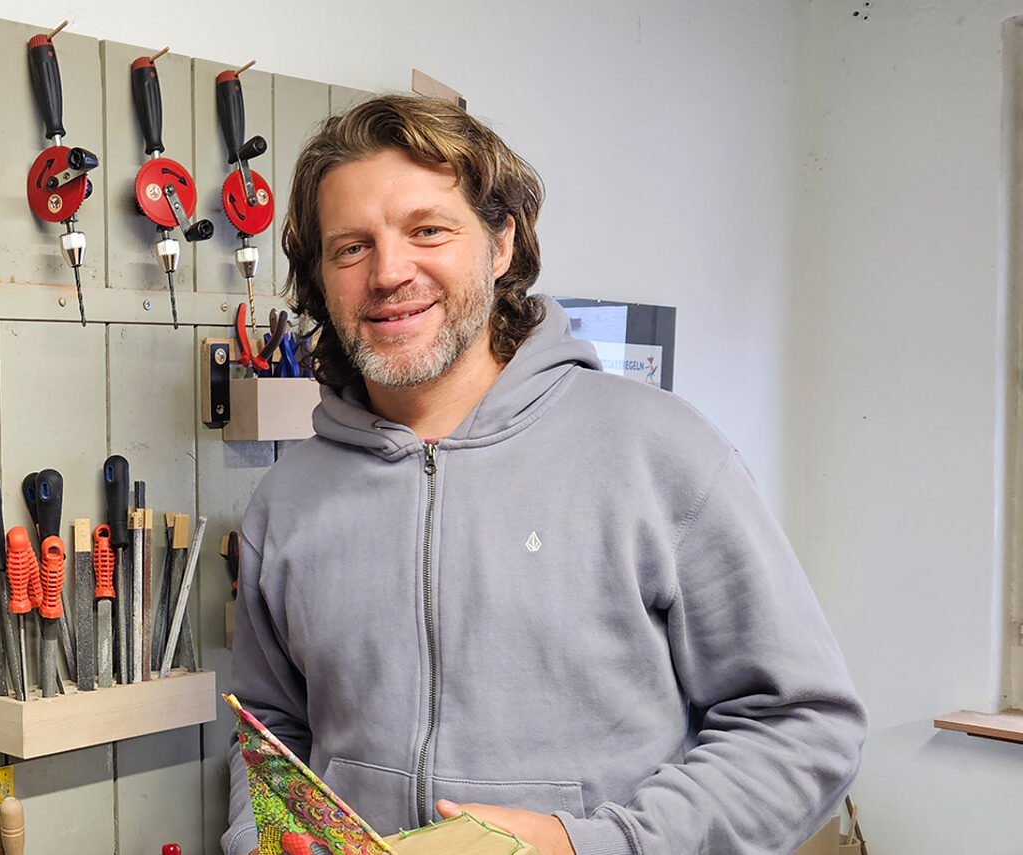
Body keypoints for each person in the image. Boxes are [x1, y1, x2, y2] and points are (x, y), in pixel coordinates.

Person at [224, 94, 866, 855]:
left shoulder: (659, 453)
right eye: (351, 247)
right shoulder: (288, 501)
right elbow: (268, 739)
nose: (390, 272)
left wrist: (589, 844)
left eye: (428, 230)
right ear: (322, 277)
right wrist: (261, 839)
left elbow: (802, 724)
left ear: (501, 243)